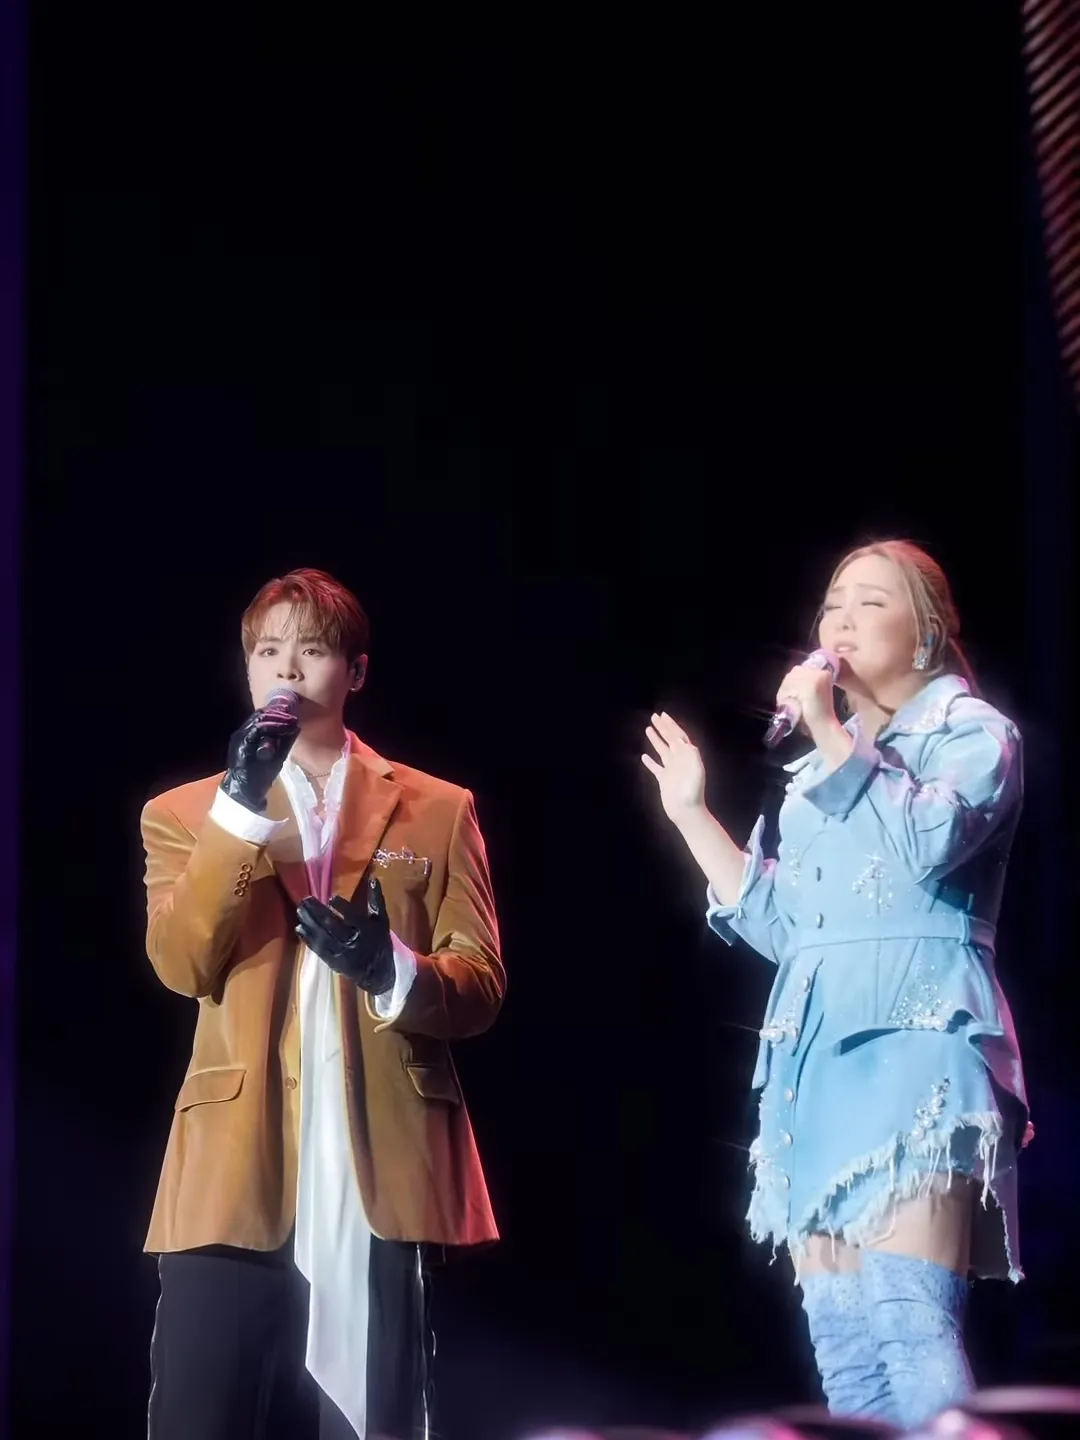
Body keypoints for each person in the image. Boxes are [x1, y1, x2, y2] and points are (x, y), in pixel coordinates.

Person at [642, 540, 1030, 1431]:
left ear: (926, 632)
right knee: (848, 1357)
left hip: (917, 1043)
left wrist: (829, 730)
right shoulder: (818, 775)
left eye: (869, 602)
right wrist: (693, 815)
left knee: (910, 1322)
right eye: (832, 604)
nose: (840, 621)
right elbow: (790, 934)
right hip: (816, 1069)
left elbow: (928, 842)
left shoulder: (973, 735)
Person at [140, 567, 504, 1440]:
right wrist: (239, 806)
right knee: (197, 1416)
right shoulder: (184, 813)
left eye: (312, 650)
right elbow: (182, 963)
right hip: (234, 1163)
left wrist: (391, 969)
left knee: (373, 1421)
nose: (288, 670)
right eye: (268, 651)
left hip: (380, 1163)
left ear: (357, 671)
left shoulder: (437, 808)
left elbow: (481, 984)